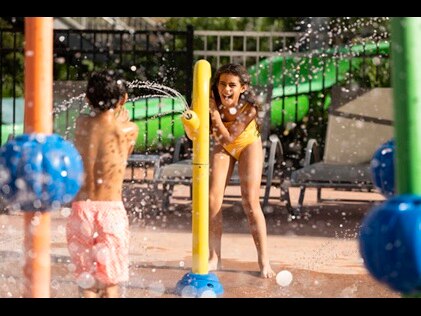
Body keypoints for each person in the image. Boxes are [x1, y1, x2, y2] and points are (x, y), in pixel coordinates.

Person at [66, 70, 139, 298]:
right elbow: (125, 150)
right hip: (111, 212)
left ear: (87, 99)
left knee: (87, 281)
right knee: (110, 283)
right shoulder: (128, 130)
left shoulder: (80, 125)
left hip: (81, 210)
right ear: (123, 100)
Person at [208, 63, 275, 278]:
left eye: (231, 85)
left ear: (242, 88)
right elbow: (211, 136)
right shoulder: (211, 102)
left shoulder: (250, 108)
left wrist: (215, 117)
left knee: (250, 201)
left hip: (247, 145)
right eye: (222, 84)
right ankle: (214, 257)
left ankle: (264, 260)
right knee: (212, 200)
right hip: (223, 146)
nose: (226, 89)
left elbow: (229, 137)